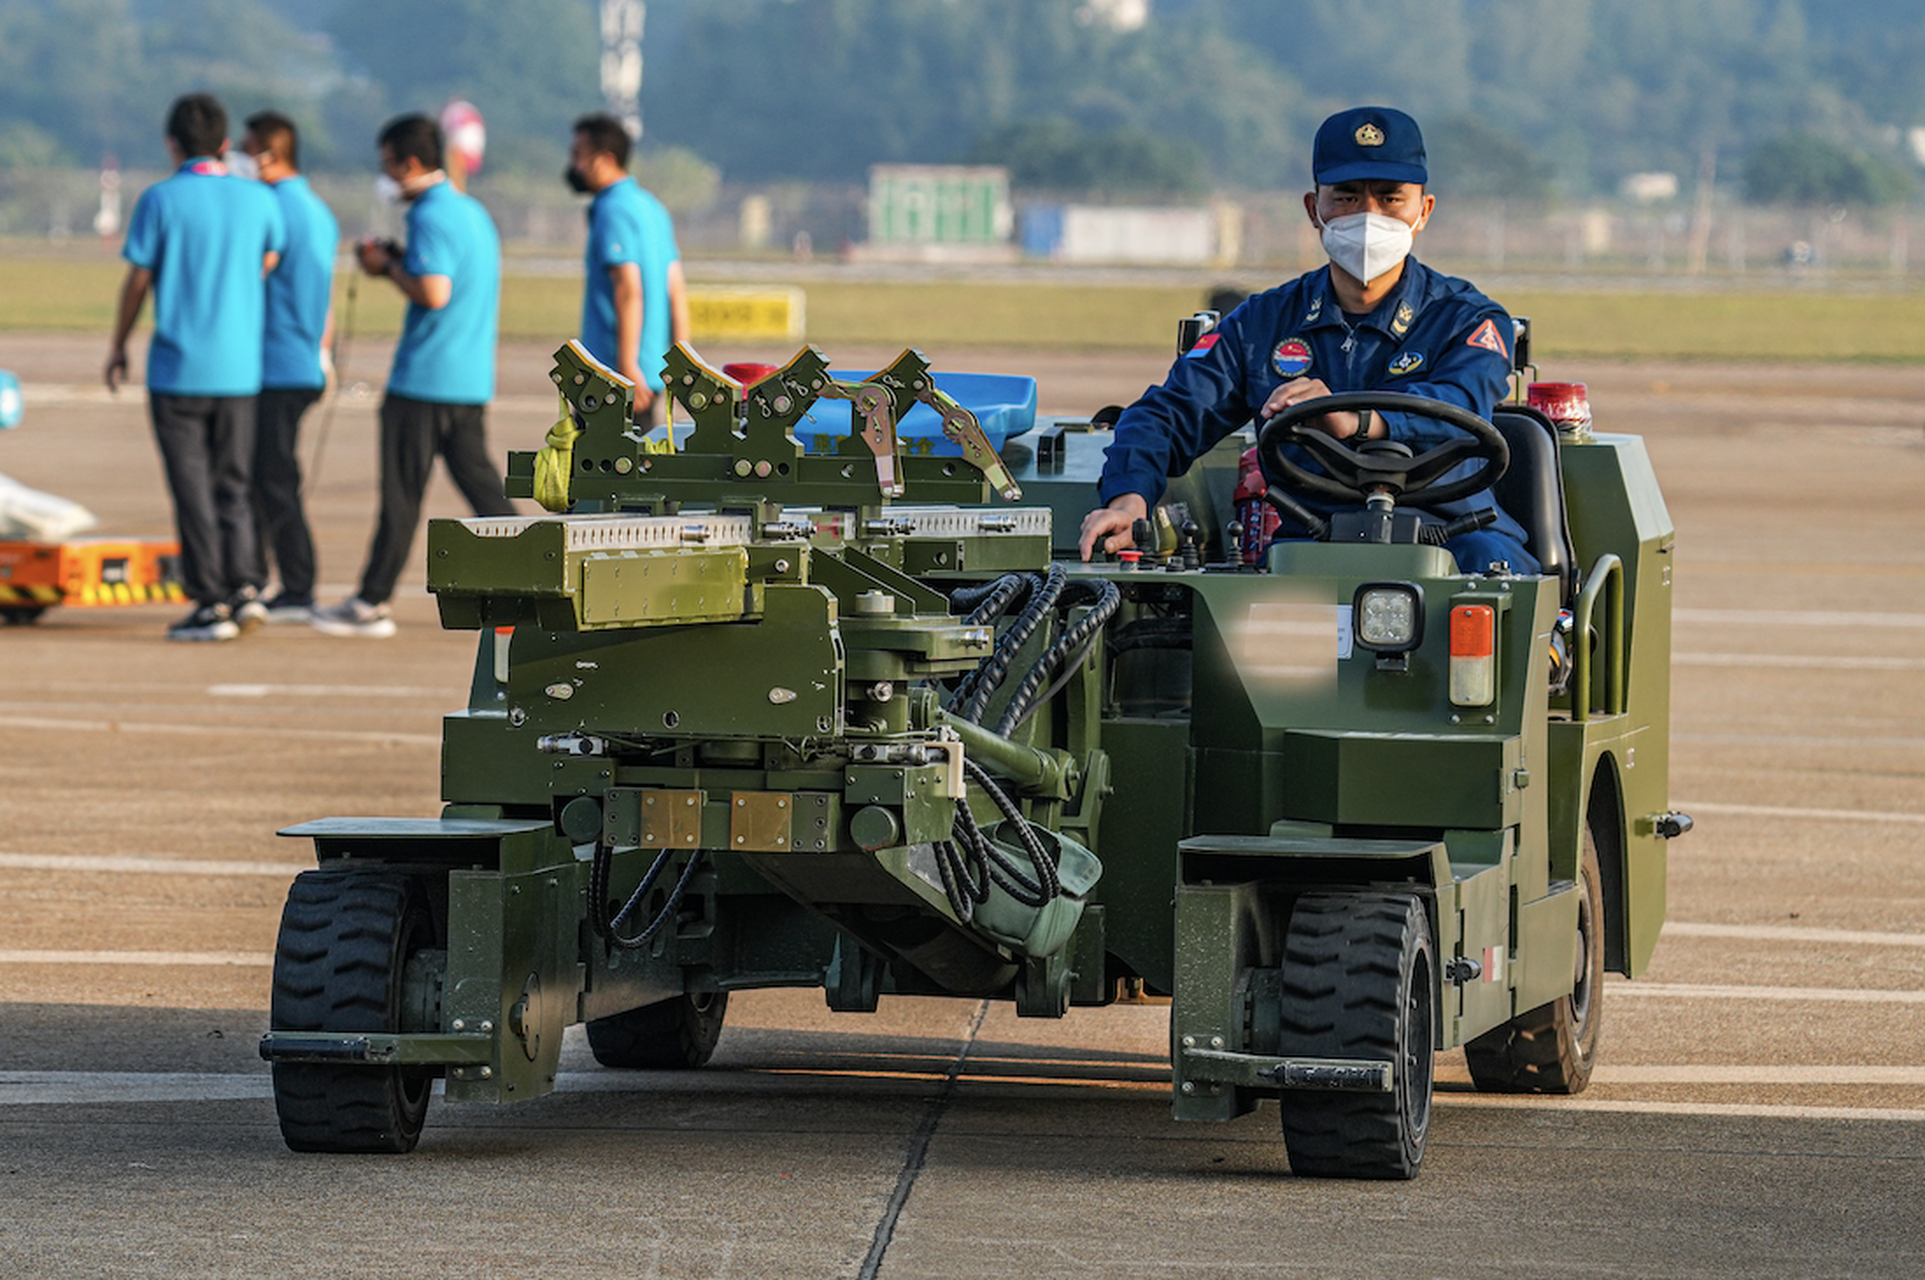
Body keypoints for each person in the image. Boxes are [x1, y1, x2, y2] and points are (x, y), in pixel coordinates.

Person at [1079, 106, 1536, 576]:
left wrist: (1356, 419)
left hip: (1456, 540)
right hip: (1311, 545)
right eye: (1347, 198)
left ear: (1423, 211)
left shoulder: (1469, 319)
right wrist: (1129, 498)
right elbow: (1166, 415)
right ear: (1313, 209)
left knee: (1503, 590)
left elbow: (1461, 407)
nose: (1368, 216)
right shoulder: (1261, 323)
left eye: (1390, 198)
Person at [311, 113, 515, 639]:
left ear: (410, 163)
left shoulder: (430, 214)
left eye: (388, 166)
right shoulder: (472, 212)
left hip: (424, 381)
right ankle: (527, 580)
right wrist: (400, 258)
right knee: (485, 493)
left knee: (402, 496)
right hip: (468, 379)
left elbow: (434, 290)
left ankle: (371, 600)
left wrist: (386, 270)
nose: (386, 178)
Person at [106, 92, 285, 641]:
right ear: (226, 145)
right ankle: (248, 586)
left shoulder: (160, 199)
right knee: (234, 483)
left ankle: (209, 600)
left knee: (193, 488)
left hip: (179, 368)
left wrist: (118, 343)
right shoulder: (258, 200)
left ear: (171, 144)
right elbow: (270, 257)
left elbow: (139, 277)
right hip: (239, 369)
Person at [236, 110, 337, 623]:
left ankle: (289, 583)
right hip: (305, 358)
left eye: (247, 148)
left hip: (274, 363)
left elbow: (252, 273)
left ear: (269, 154)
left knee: (267, 477)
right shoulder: (317, 209)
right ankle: (266, 577)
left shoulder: (269, 206)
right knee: (269, 474)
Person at [564, 112, 690, 424]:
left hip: (615, 374)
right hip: (651, 369)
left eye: (579, 156)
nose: (574, 166)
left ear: (605, 159)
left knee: (602, 467)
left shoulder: (611, 209)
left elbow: (627, 290)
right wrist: (683, 360)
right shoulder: (653, 208)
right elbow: (675, 290)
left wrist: (626, 365)